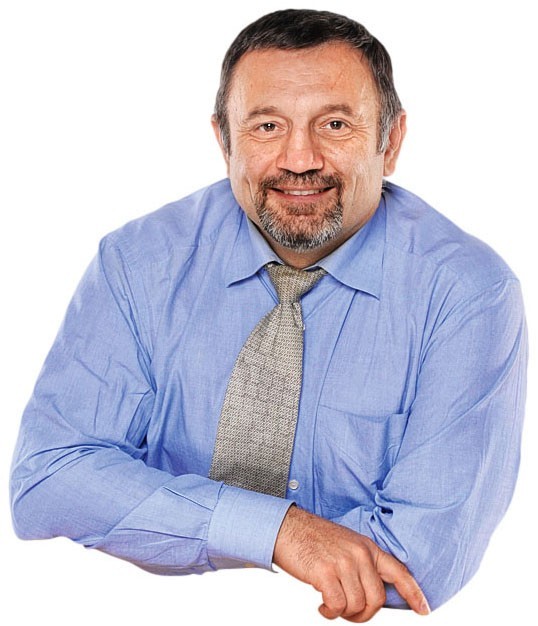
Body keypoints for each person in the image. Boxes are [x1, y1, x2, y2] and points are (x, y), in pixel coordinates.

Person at [10, 8, 527, 623]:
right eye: (266, 126)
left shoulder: (468, 293)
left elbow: (421, 561)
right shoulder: (139, 263)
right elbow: (49, 480)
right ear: (224, 141)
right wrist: (284, 532)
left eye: (335, 124)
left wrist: (154, 517)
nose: (299, 158)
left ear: (390, 142)